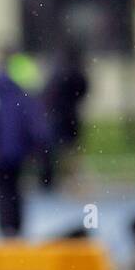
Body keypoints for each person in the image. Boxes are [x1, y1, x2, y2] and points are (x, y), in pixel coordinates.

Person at [0, 46, 49, 237]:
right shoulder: (22, 90)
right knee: (16, 187)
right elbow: (30, 119)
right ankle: (16, 225)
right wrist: (36, 144)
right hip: (18, 148)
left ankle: (5, 225)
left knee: (2, 188)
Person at [40, 41, 89, 190]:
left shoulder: (58, 73)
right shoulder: (74, 72)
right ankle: (71, 179)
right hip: (68, 115)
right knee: (69, 149)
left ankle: (60, 179)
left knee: (60, 150)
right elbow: (83, 89)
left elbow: (49, 94)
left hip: (60, 116)